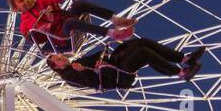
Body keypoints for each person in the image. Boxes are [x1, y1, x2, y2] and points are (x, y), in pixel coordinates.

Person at [9, 0, 135, 54]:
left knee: (79, 4)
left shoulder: (42, 1)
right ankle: (113, 33)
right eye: (21, 1)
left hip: (67, 19)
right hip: (60, 37)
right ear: (16, 8)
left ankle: (116, 20)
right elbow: (35, 38)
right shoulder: (25, 24)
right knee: (70, 23)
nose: (26, 1)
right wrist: (36, 32)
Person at [47, 40, 206, 91]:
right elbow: (94, 83)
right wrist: (85, 71)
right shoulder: (70, 76)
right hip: (117, 76)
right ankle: (181, 73)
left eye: (61, 56)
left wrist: (105, 49)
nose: (63, 58)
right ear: (57, 67)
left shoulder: (76, 61)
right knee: (143, 53)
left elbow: (96, 57)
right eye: (59, 59)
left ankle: (185, 58)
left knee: (141, 42)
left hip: (114, 64)